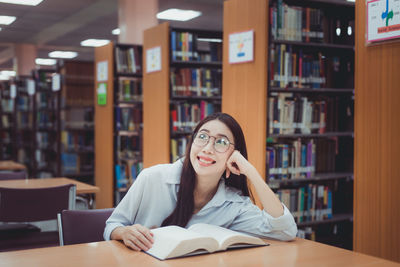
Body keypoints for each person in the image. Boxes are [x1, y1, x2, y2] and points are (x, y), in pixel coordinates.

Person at [104, 112, 297, 251]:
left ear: (235, 154)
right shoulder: (152, 178)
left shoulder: (233, 204)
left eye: (221, 142)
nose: (207, 148)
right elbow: (112, 225)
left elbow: (285, 231)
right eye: (202, 137)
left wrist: (251, 172)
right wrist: (123, 233)